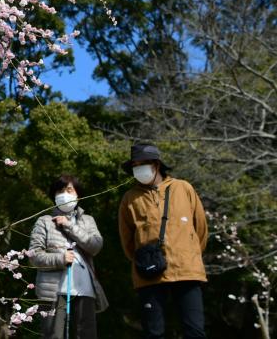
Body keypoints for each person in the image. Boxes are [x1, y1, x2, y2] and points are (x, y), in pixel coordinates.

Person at [118, 143, 208, 338]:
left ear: (157, 164)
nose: (139, 168)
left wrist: (189, 253)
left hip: (187, 269)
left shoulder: (183, 188)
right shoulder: (129, 198)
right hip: (149, 273)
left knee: (195, 330)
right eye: (135, 164)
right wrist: (144, 260)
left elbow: (200, 228)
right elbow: (127, 242)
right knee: (153, 332)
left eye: (144, 163)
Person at [29, 173, 108, 338]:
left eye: (69, 190)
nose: (64, 194)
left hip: (85, 289)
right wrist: (60, 259)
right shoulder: (44, 221)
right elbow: (34, 256)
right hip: (53, 292)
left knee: (86, 334)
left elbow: (95, 246)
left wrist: (69, 226)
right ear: (54, 196)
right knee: (54, 335)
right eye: (60, 191)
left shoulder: (88, 220)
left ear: (78, 194)